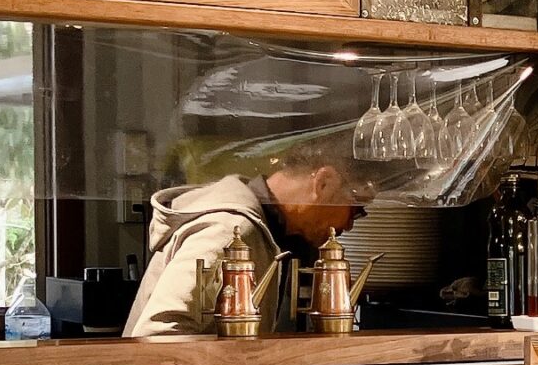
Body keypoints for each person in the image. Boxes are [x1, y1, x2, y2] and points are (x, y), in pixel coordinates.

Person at [122, 134, 369, 339]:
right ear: (323, 183)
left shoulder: (258, 229)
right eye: (355, 209)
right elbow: (158, 335)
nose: (348, 224)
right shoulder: (231, 229)